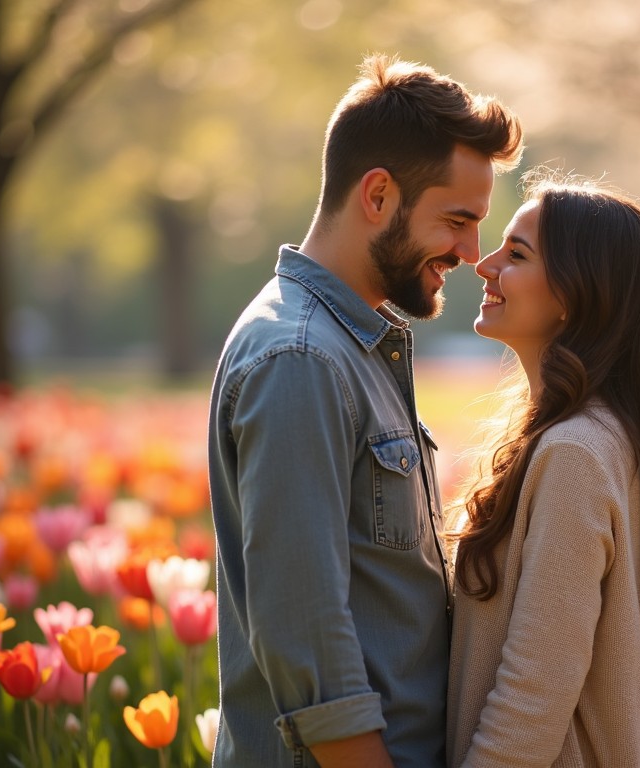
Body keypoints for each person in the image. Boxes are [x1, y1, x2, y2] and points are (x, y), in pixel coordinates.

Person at [208, 54, 523, 768]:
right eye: (457, 220)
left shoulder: (349, 346)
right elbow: (305, 635)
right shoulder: (303, 358)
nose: (472, 253)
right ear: (377, 195)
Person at [446, 172, 640, 767]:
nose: (485, 263)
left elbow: (534, 690)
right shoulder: (594, 437)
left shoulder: (575, 453)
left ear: (577, 294)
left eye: (516, 254)